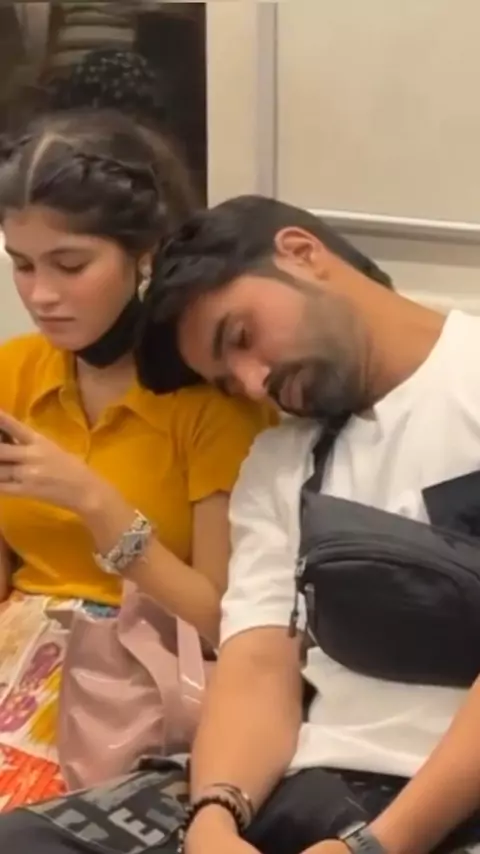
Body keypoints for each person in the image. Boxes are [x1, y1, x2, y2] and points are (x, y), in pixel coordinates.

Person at [2, 194, 479, 853]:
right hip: (310, 784)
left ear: (301, 254)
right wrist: (215, 815)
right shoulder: (282, 460)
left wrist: (379, 846)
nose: (255, 384)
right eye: (228, 381)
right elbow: (256, 661)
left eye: (241, 337)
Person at [0, 138, 273, 813]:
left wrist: (93, 500)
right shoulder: (15, 371)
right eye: (21, 265)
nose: (41, 294)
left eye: (71, 265)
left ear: (144, 256)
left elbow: (228, 624)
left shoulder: (212, 402)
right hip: (16, 656)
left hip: (144, 679)